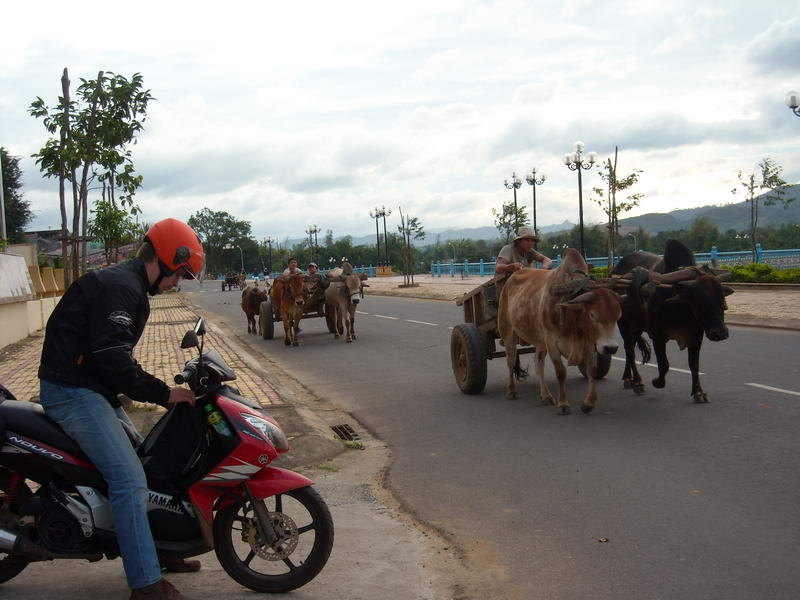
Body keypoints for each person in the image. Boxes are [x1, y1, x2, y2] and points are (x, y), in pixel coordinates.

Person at [38, 218, 205, 600]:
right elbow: (115, 362)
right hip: (71, 391)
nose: (177, 282)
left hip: (89, 387)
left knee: (146, 463)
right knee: (130, 481)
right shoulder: (121, 289)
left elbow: (110, 361)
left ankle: (159, 547)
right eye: (179, 273)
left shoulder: (127, 286)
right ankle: (145, 584)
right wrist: (164, 394)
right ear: (165, 260)